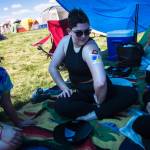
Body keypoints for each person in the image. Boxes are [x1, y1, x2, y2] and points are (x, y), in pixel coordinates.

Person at [49, 8, 138, 120]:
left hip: (100, 92)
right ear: (69, 31)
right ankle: (103, 110)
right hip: (79, 91)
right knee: (60, 105)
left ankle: (95, 113)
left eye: (87, 32)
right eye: (79, 33)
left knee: (131, 94)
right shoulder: (65, 42)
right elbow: (52, 67)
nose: (84, 36)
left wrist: (99, 101)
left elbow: (101, 82)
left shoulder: (91, 49)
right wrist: (64, 88)